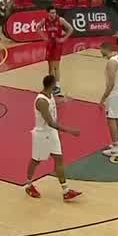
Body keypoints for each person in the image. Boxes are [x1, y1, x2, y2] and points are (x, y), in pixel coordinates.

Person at [24, 74, 83, 202]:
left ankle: (66, 190)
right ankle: (28, 184)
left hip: (51, 133)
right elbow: (50, 122)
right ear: (51, 85)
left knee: (59, 159)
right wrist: (70, 131)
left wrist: (65, 100)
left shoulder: (50, 95)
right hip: (42, 134)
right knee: (36, 160)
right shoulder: (41, 101)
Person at [98, 41, 118, 157]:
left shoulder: (111, 62)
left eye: (100, 49)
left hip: (115, 93)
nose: (100, 52)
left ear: (105, 49)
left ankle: (116, 147)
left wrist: (102, 99)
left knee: (111, 119)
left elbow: (110, 84)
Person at [38, 6, 73, 97]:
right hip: (49, 44)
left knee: (56, 66)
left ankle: (57, 86)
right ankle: (51, 85)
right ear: (48, 13)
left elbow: (70, 28)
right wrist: (44, 37)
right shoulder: (45, 20)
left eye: (54, 12)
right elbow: (37, 27)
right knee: (50, 66)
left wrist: (64, 39)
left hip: (57, 45)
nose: (53, 14)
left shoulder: (60, 20)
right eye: (52, 13)